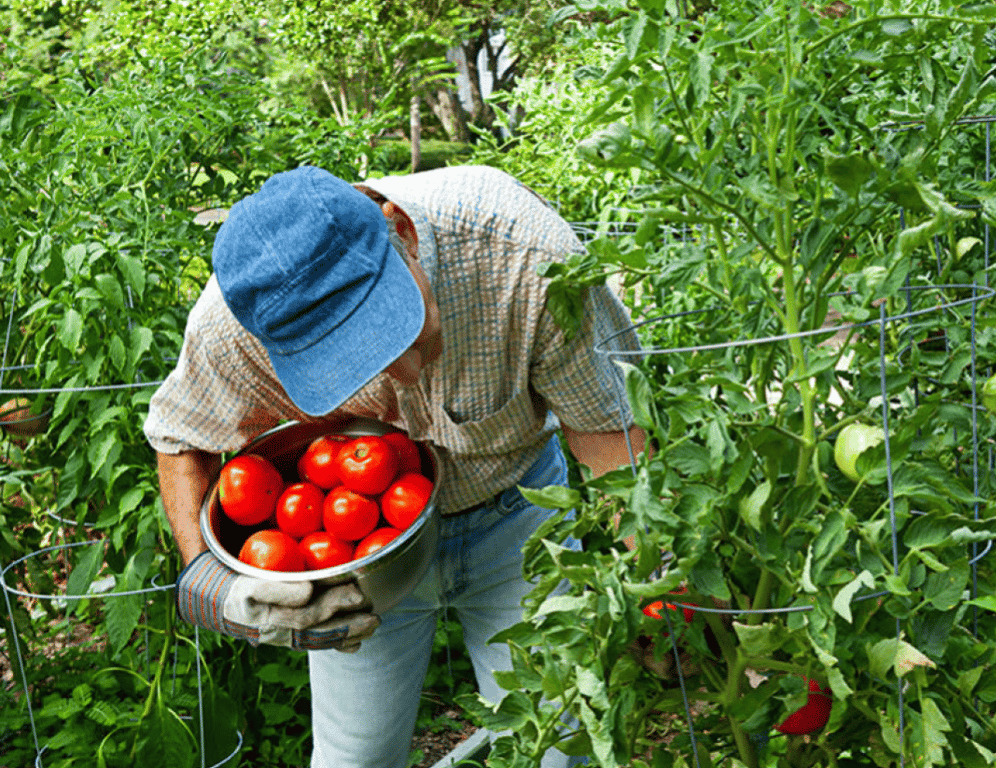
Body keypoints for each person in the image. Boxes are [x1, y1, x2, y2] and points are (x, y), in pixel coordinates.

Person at [144, 164, 645, 768]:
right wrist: (208, 579)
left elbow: (608, 435)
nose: (401, 375)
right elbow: (181, 438)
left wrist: (652, 580)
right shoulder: (235, 326)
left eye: (395, 330)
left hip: (518, 516)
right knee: (355, 757)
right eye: (348, 363)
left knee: (553, 747)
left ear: (400, 231)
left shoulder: (525, 257)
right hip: (354, 562)